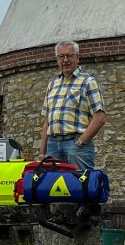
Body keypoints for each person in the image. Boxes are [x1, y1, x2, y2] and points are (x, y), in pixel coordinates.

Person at [38, 41, 107, 171]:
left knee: (81, 186)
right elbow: (47, 121)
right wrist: (42, 152)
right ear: (57, 59)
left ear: (78, 57)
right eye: (61, 56)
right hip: (53, 146)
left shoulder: (88, 82)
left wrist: (81, 142)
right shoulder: (52, 84)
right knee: (54, 188)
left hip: (76, 146)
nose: (65, 60)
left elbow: (99, 117)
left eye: (69, 56)